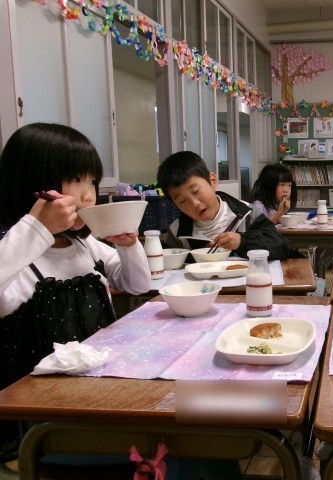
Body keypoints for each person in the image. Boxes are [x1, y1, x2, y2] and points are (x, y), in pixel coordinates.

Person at [0, 123, 151, 461]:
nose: (88, 196)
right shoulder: (15, 257)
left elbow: (136, 285)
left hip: (104, 400)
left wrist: (128, 246)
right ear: (35, 185)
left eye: (92, 182)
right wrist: (36, 227)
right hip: (48, 430)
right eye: (76, 180)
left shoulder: (84, 246)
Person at [157, 151, 291, 260]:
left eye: (196, 191)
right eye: (182, 201)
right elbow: (168, 264)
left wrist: (242, 242)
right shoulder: (177, 231)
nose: (195, 204)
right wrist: (197, 257)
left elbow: (281, 247)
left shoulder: (248, 213)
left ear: (213, 181)